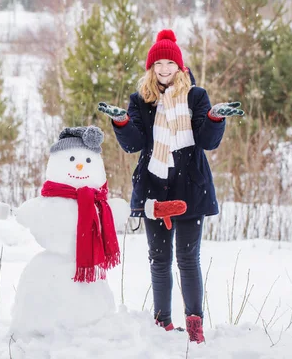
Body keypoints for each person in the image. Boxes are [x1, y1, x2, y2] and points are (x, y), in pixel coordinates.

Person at [97, 29, 244, 344]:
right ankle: (162, 322)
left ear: (180, 66)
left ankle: (194, 324)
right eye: (158, 63)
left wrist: (215, 118)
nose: (164, 69)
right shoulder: (141, 100)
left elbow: (206, 141)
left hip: (191, 188)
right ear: (151, 67)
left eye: (170, 63)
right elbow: (135, 144)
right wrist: (122, 122)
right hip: (155, 190)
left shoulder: (196, 97)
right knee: (159, 259)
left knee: (188, 259)